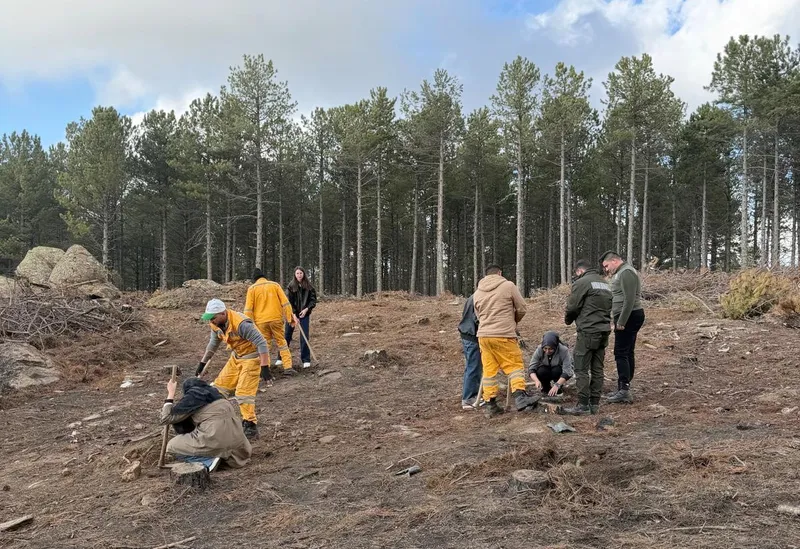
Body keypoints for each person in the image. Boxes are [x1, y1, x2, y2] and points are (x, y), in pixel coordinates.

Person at [196, 298, 271, 439]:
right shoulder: (216, 325)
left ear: (223, 313)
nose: (211, 321)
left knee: (243, 393)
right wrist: (202, 363)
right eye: (209, 318)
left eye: (213, 318)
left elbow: (262, 343)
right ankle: (218, 420)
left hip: (252, 357)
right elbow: (213, 343)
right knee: (219, 388)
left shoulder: (241, 324)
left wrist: (265, 366)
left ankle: (250, 425)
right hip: (236, 356)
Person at [473, 265, 539, 418]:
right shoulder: (508, 286)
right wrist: (513, 322)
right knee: (514, 366)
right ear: (500, 273)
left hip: (483, 336)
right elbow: (522, 307)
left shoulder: (477, 292)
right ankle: (520, 398)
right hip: (504, 334)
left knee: (489, 371)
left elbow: (478, 315)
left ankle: (490, 404)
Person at [160, 377, 252, 470]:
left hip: (216, 440)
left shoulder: (194, 397)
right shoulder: (220, 397)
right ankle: (221, 457)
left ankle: (207, 461)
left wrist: (170, 393)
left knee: (172, 446)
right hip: (238, 444)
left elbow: (166, 418)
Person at [561, 259, 612, 415]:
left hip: (588, 331)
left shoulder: (582, 283)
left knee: (581, 368)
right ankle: (594, 404)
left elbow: (573, 306)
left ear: (579, 271)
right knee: (597, 368)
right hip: (604, 330)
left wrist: (568, 320)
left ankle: (583, 405)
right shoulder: (604, 283)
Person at [600, 251, 645, 404]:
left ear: (614, 261)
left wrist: (622, 321)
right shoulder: (621, 273)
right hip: (627, 316)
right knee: (627, 351)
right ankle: (624, 386)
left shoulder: (626, 272)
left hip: (630, 316)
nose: (606, 269)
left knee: (620, 352)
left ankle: (624, 389)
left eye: (606, 266)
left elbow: (630, 299)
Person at [245, 268, 297, 376]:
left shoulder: (252, 289)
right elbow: (285, 303)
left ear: (254, 279)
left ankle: (266, 368)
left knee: (265, 345)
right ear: (264, 276)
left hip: (261, 322)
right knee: (282, 343)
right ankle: (288, 367)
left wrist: (248, 326)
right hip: (276, 320)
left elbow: (248, 309)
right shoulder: (275, 285)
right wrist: (290, 318)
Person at [285, 266, 317, 369]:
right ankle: (281, 357)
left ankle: (306, 359)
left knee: (304, 336)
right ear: (295, 274)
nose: (299, 275)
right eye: (297, 273)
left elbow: (313, 300)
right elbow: (288, 302)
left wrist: (306, 309)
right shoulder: (290, 286)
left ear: (304, 274)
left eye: (301, 273)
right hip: (292, 314)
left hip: (304, 314)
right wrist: (293, 314)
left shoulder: (309, 286)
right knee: (287, 335)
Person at [528, 331, 573, 399]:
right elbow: (531, 368)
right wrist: (536, 380)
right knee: (541, 371)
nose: (547, 351)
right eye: (545, 348)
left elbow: (568, 371)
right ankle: (546, 388)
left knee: (556, 370)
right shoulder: (539, 349)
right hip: (545, 370)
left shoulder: (564, 350)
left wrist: (557, 385)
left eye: (550, 349)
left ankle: (558, 388)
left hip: (558, 371)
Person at [458, 293, 482, 410]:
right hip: (472, 335)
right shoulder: (478, 297)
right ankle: (468, 398)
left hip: (467, 333)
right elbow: (477, 318)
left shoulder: (473, 296)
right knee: (473, 366)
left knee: (472, 366)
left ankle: (473, 394)